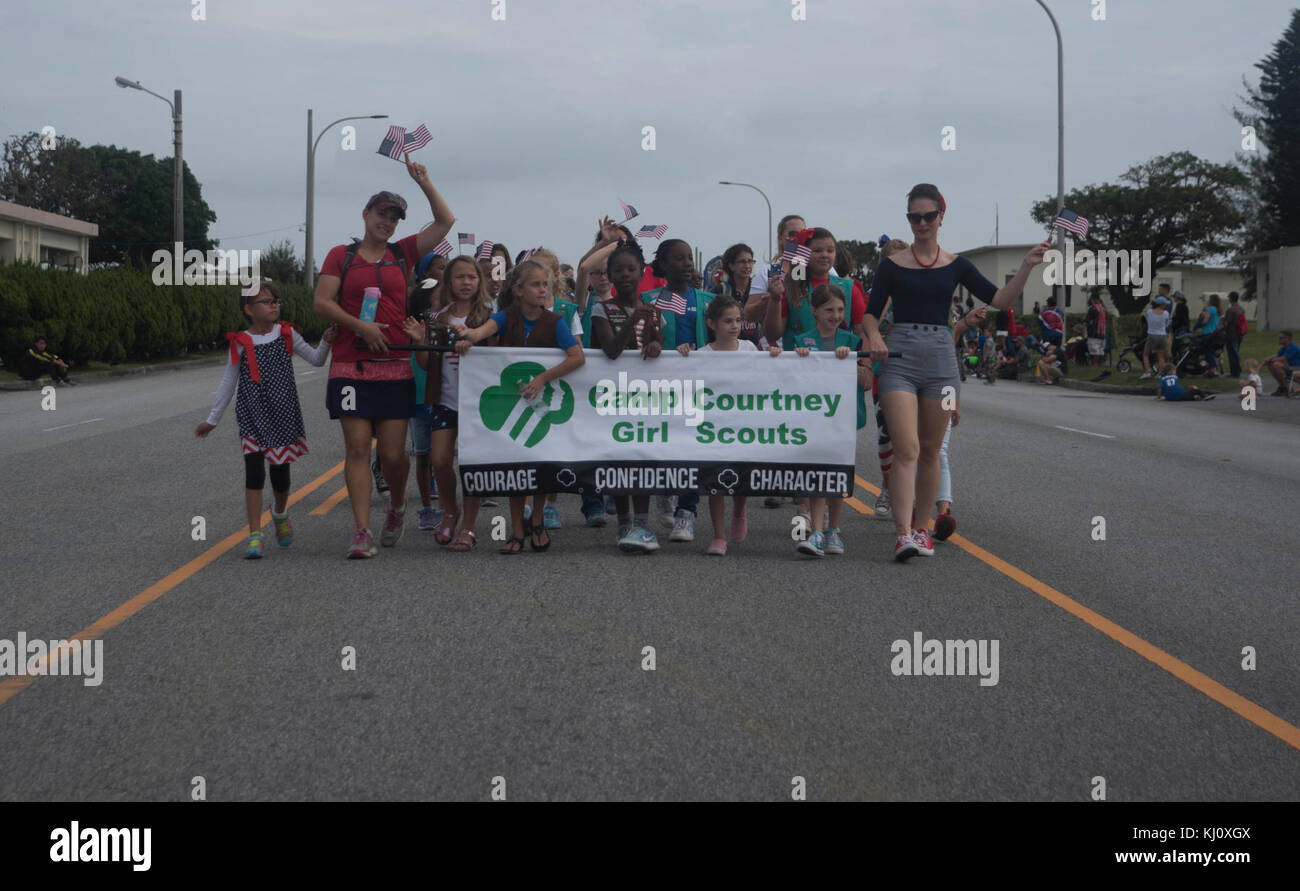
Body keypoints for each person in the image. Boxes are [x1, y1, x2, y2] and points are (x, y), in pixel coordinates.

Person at [864, 183, 1049, 562]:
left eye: (928, 216)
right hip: (899, 359)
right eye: (914, 217)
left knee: (931, 451)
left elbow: (999, 300)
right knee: (907, 448)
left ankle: (921, 529)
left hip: (943, 365)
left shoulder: (957, 265)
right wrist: (872, 336)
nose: (921, 223)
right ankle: (902, 534)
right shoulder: (892, 266)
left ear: (941, 216)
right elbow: (870, 313)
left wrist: (1027, 267)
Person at [312, 154, 455, 559]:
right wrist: (360, 326)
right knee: (357, 446)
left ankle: (396, 506)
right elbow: (322, 303)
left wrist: (424, 181)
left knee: (392, 455)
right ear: (366, 213)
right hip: (350, 362)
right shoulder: (341, 255)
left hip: (394, 364)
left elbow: (445, 222)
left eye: (394, 217)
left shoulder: (402, 253)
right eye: (382, 213)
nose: (387, 222)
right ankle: (361, 531)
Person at [452, 260, 586, 553]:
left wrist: (543, 378)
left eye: (545, 285)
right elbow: (481, 332)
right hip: (512, 402)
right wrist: (467, 338)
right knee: (515, 466)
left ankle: (536, 520)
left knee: (539, 464)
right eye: (536, 285)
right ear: (519, 289)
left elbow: (577, 356)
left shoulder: (555, 322)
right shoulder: (506, 316)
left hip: (542, 403)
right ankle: (516, 530)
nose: (542, 290)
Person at [196, 282, 335, 558]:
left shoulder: (287, 334)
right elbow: (228, 382)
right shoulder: (240, 342)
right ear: (248, 309)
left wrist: (327, 340)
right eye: (266, 301)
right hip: (251, 415)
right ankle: (255, 535)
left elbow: (317, 360)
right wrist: (212, 420)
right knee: (254, 472)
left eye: (275, 301)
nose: (274, 305)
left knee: (280, 476)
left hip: (282, 414)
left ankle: (280, 513)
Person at [402, 255, 494, 551]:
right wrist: (419, 340)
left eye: (472, 277)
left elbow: (498, 355)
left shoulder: (488, 316)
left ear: (479, 282)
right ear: (448, 282)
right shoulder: (439, 318)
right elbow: (427, 364)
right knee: (439, 460)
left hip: (478, 402)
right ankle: (450, 510)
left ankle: (468, 525)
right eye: (460, 277)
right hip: (445, 399)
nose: (466, 282)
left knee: (471, 464)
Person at [690, 296, 781, 556]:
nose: (734, 326)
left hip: (744, 424)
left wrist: (774, 356)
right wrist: (683, 354)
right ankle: (719, 535)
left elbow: (766, 377)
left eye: (738, 320)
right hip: (714, 427)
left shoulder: (750, 349)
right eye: (727, 321)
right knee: (714, 480)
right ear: (711, 323)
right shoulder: (702, 355)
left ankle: (739, 511)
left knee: (740, 477)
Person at [590, 239, 664, 552]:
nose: (624, 275)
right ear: (609, 274)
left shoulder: (655, 309)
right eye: (617, 270)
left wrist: (655, 345)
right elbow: (610, 349)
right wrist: (633, 320)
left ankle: (643, 524)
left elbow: (658, 343)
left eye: (630, 270)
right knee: (618, 458)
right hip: (613, 395)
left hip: (645, 396)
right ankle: (623, 520)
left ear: (641, 272)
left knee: (642, 458)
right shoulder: (600, 308)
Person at [641, 238, 715, 542]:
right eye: (678, 259)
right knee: (663, 446)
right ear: (663, 266)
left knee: (694, 449)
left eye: (689, 258)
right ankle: (663, 489)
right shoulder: (649, 299)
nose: (687, 264)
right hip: (659, 388)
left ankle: (687, 513)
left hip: (699, 388)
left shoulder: (709, 299)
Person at [784, 285, 866, 557]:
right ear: (814, 311)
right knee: (817, 473)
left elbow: (867, 381)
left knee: (837, 476)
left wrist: (850, 365)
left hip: (841, 419)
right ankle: (817, 530)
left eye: (841, 310)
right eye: (829, 309)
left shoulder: (852, 341)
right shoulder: (802, 340)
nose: (836, 315)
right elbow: (790, 379)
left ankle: (834, 529)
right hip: (813, 419)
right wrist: (802, 361)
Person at [762, 226, 867, 349]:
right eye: (817, 251)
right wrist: (775, 300)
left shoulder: (850, 288)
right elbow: (772, 335)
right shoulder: (789, 288)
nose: (825, 255)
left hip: (839, 364)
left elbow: (862, 333)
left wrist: (865, 363)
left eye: (830, 250)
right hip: (799, 364)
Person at [870, 238, 910, 519]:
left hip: (915, 372)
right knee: (887, 438)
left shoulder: (919, 291)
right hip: (883, 374)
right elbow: (870, 326)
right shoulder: (878, 294)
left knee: (910, 441)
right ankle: (886, 487)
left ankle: (907, 494)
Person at [711, 242, 767, 348]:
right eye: (742, 262)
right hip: (727, 350)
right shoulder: (720, 291)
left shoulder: (759, 290)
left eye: (750, 261)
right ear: (731, 266)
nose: (747, 266)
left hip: (753, 350)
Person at [1140, 296, 1172, 379]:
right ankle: (1159, 374)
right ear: (1161, 304)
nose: (1165, 305)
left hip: (1152, 335)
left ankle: (1147, 371)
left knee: (1145, 354)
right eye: (1164, 304)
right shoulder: (1166, 313)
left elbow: (1147, 320)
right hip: (1162, 335)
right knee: (1161, 357)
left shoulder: (1149, 312)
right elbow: (1167, 324)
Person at [1261, 330, 1300, 396]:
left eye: (1281, 338)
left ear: (1287, 339)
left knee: (1277, 365)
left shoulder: (1292, 347)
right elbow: (1274, 356)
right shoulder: (1284, 348)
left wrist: (1269, 360)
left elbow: (1282, 359)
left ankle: (1286, 388)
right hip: (1293, 368)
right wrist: (1261, 365)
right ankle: (1282, 387)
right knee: (1271, 365)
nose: (1278, 339)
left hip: (1297, 368)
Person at [1193, 293, 1223, 376]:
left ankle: (1212, 368)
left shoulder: (1210, 309)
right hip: (1215, 333)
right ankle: (1211, 368)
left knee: (1207, 351)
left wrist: (1199, 324)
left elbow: (1205, 321)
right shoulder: (1218, 310)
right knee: (1211, 351)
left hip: (1207, 333)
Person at [1222, 291, 1247, 378]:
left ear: (1230, 299)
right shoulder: (1241, 309)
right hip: (1240, 334)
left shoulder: (1230, 310)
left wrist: (1222, 323)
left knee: (1232, 354)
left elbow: (1226, 324)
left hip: (1231, 335)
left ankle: (1235, 372)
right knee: (1236, 352)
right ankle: (1237, 371)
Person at [1084, 292, 1107, 367]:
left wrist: (1084, 318)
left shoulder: (1093, 308)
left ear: (1093, 299)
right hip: (1102, 333)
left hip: (1094, 332)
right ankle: (1100, 364)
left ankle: (1095, 365)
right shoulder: (1103, 308)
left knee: (1094, 350)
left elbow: (1087, 319)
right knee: (1100, 350)